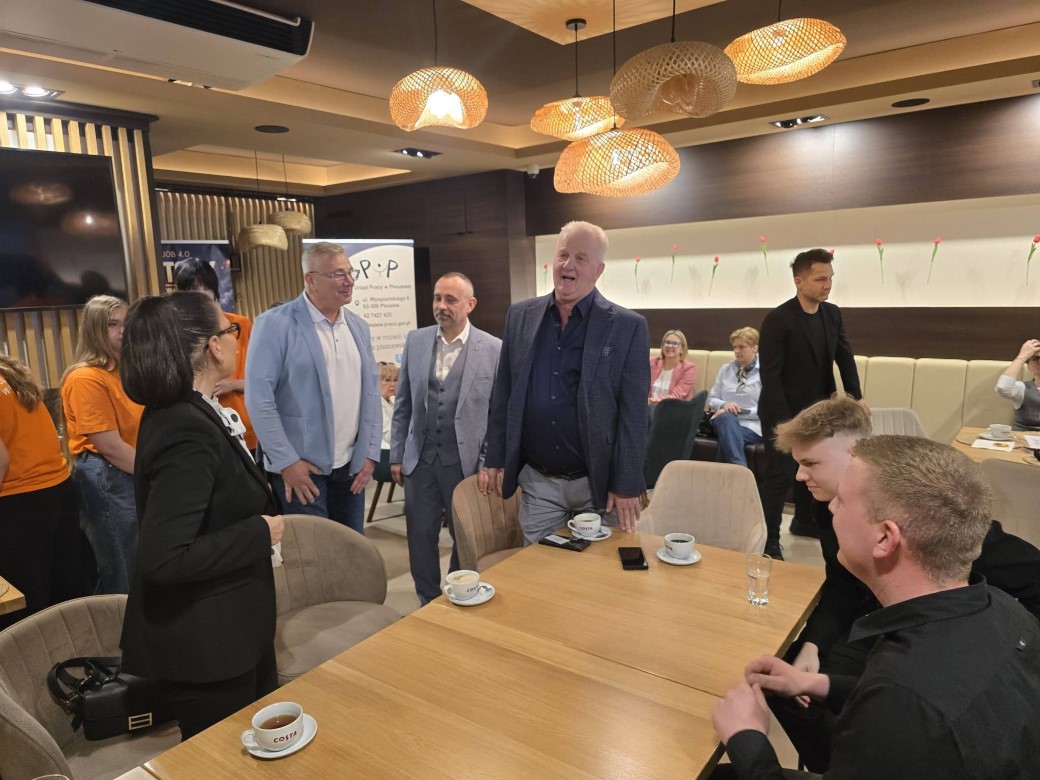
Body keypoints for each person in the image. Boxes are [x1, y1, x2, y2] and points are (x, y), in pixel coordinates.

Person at [713, 435, 1040, 779]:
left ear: (885, 538)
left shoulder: (903, 698)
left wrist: (746, 736)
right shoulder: (1004, 610)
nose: (832, 508)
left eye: (841, 501)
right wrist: (815, 682)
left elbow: (904, 706)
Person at [119, 292, 284, 741]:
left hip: (231, 628)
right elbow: (165, 558)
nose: (236, 340)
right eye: (232, 331)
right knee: (223, 762)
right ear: (213, 345)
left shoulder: (194, 412)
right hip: (209, 645)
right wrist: (259, 532)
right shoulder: (185, 426)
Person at [485, 220, 650, 543]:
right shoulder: (520, 316)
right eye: (563, 255)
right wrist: (495, 456)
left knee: (597, 571)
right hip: (539, 482)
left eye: (580, 258)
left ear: (598, 270)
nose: (568, 265)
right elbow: (503, 392)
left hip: (599, 484)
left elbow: (634, 415)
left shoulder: (628, 326)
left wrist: (626, 484)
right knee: (541, 568)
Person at [246, 242, 381, 533]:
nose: (349, 281)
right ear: (311, 280)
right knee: (314, 554)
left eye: (350, 272)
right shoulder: (274, 325)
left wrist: (370, 453)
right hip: (302, 469)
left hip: (351, 466)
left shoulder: (359, 327)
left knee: (352, 550)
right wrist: (286, 462)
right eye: (338, 274)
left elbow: (372, 394)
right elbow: (259, 400)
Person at [391, 273, 501, 604]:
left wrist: (488, 462)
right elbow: (403, 404)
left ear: (470, 304)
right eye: (437, 298)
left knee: (464, 536)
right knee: (420, 535)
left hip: (465, 464)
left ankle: (457, 591)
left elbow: (498, 415)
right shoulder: (416, 341)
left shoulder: (493, 348)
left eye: (450, 299)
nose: (441, 305)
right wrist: (397, 454)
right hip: (420, 461)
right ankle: (426, 599)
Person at [757, 249, 865, 558]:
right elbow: (770, 376)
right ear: (799, 281)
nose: (827, 285)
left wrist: (856, 396)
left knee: (818, 469)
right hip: (783, 410)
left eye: (830, 278)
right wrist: (785, 423)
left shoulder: (832, 314)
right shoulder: (778, 319)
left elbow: (844, 355)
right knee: (780, 475)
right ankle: (769, 540)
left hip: (820, 410)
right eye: (820, 279)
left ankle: (805, 522)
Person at [60, 294, 142, 594]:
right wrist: (155, 473)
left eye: (126, 323)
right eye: (112, 324)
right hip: (108, 474)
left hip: (130, 469)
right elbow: (110, 446)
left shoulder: (125, 371)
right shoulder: (86, 377)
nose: (123, 331)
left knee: (136, 564)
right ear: (95, 330)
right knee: (123, 569)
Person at [0, 356, 85, 629]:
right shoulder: (6, 373)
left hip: (19, 500)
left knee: (24, 612)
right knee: (62, 598)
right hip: (55, 488)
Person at [173, 257, 257, 450]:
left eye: (205, 289)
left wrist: (233, 384)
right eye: (191, 291)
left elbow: (264, 380)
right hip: (201, 429)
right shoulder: (175, 332)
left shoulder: (240, 325)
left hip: (245, 428)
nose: (199, 297)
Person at [707, 326, 762, 468]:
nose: (737, 351)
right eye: (735, 347)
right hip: (722, 420)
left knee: (728, 439)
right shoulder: (726, 369)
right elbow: (712, 398)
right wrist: (725, 405)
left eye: (742, 347)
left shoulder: (765, 372)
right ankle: (740, 470)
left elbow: (768, 408)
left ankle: (733, 473)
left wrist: (740, 411)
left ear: (755, 348)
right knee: (727, 419)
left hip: (752, 426)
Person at [994, 337, 1040, 430]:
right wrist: (1022, 357)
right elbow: (1003, 388)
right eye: (1035, 358)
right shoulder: (1022, 388)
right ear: (1029, 366)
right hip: (1024, 438)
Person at [648, 329, 696, 403]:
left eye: (675, 343)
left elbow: (676, 397)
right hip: (648, 407)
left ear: (682, 349)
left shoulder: (688, 369)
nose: (670, 346)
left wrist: (651, 401)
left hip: (674, 408)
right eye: (667, 342)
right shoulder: (652, 362)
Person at [378, 362, 398, 450]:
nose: (392, 384)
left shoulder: (393, 400)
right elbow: (389, 436)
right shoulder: (376, 406)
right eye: (387, 380)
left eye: (395, 380)